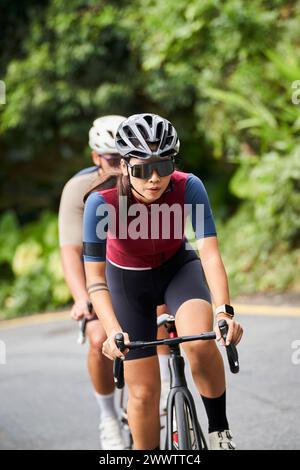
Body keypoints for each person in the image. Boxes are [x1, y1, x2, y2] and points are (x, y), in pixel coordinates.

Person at [83, 113, 243, 450]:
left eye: (164, 165)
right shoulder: (101, 204)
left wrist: (224, 311)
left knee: (199, 343)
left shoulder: (188, 186)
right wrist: (113, 331)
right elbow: (96, 281)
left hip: (178, 271)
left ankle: (219, 433)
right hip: (127, 284)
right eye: (143, 169)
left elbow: (210, 254)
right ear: (124, 166)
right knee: (142, 393)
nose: (155, 179)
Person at [59, 115, 170, 450]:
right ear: (96, 158)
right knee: (98, 338)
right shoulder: (80, 190)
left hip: (137, 267)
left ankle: (162, 395)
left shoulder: (145, 180)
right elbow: (70, 250)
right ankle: (108, 416)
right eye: (107, 160)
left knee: (162, 317)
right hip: (99, 273)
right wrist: (81, 298)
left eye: (119, 157)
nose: (114, 168)